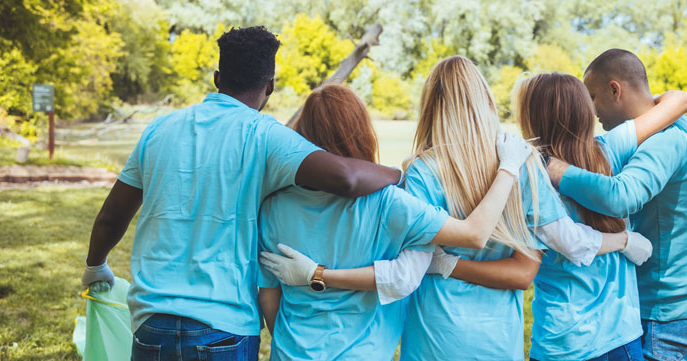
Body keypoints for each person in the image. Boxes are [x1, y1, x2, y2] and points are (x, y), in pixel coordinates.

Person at [261, 56, 653, 361]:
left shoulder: (421, 173)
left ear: (431, 105)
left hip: (434, 337)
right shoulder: (520, 161)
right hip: (498, 339)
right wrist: (623, 240)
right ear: (483, 99)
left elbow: (406, 274)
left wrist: (317, 275)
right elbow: (571, 242)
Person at [79, 26, 411, 360]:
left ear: (217, 78)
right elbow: (347, 178)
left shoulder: (158, 129)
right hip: (224, 330)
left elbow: (111, 216)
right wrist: (401, 174)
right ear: (270, 86)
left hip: (152, 325)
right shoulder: (266, 137)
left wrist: (96, 266)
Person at [256, 84, 536, 360]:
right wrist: (508, 167)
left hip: (292, 351)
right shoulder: (389, 204)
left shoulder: (272, 208)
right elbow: (474, 234)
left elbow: (269, 295)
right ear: (363, 133)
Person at [546, 49, 687, 361]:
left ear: (615, 90)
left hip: (668, 310)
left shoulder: (664, 140)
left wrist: (559, 171)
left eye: (592, 96)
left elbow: (621, 197)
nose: (590, 110)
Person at [513, 72, 687, 361]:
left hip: (566, 340)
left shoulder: (529, 172)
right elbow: (681, 100)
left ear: (532, 117)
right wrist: (624, 240)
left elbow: (568, 241)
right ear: (584, 111)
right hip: (621, 335)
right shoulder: (611, 148)